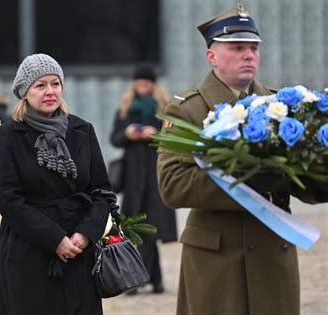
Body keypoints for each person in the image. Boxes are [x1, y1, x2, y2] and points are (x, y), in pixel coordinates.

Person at [157, 4, 328, 315]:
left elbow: (307, 181)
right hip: (216, 260)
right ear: (212, 56)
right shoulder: (187, 110)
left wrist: (319, 178)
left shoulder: (284, 106)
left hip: (271, 254)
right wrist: (244, 181)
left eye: (253, 48)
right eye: (237, 48)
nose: (249, 55)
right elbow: (172, 185)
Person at [0, 53, 112, 315]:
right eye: (40, 85)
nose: (50, 91)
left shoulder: (82, 130)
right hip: (28, 254)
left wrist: (86, 234)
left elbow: (102, 192)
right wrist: (54, 239)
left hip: (79, 253)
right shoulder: (8, 136)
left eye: (55, 84)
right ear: (25, 92)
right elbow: (7, 199)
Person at [110, 63, 177, 294]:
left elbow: (174, 137)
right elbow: (114, 139)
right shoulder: (125, 108)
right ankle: (150, 280)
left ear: (152, 85)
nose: (141, 88)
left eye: (145, 84)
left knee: (150, 228)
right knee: (137, 228)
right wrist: (128, 133)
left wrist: (155, 134)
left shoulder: (164, 109)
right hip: (133, 176)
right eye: (138, 84)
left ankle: (141, 280)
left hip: (156, 173)